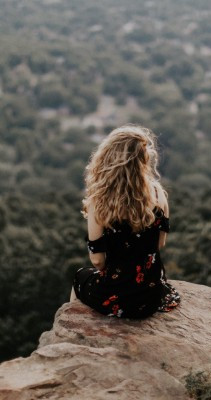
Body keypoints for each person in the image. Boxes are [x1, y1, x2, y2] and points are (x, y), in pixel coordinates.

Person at [71, 124, 181, 318]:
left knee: (79, 277)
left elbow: (97, 261)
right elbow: (160, 243)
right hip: (150, 296)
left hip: (116, 295)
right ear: (143, 160)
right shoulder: (158, 193)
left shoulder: (100, 201)